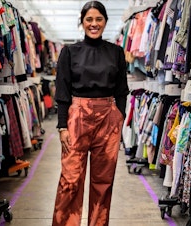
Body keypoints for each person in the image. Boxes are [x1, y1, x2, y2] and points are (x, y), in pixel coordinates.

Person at [52, 1, 129, 225]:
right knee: (70, 179)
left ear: (105, 22)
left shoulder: (116, 52)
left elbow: (122, 90)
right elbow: (62, 91)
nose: (94, 24)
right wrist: (62, 125)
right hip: (77, 116)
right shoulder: (69, 51)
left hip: (108, 117)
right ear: (82, 22)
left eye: (98, 19)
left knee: (103, 181)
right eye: (89, 19)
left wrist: (119, 117)